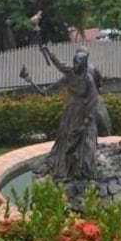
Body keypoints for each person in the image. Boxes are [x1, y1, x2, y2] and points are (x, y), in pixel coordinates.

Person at [33, 48, 100, 181]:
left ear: (84, 64)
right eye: (74, 62)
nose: (75, 65)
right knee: (65, 134)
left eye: (78, 63)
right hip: (71, 108)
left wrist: (88, 118)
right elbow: (58, 64)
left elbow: (93, 99)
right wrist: (48, 52)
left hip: (81, 110)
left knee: (74, 137)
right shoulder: (70, 73)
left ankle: (76, 167)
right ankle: (63, 166)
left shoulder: (88, 79)